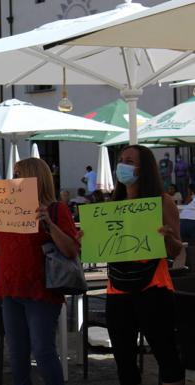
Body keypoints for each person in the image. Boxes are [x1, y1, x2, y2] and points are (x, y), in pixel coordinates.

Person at [0, 158, 80, 385]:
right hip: (10, 290)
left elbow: (71, 250)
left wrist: (49, 225)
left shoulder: (56, 209)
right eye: (13, 174)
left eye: (18, 174)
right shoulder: (5, 209)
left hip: (41, 291)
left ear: (36, 178)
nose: (13, 179)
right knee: (17, 355)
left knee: (43, 352)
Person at [105, 145, 184, 385]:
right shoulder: (112, 203)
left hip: (153, 287)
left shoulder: (162, 201)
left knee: (165, 354)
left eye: (129, 160)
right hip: (116, 289)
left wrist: (167, 236)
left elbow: (176, 249)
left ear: (144, 168)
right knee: (123, 361)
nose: (122, 165)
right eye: (120, 160)